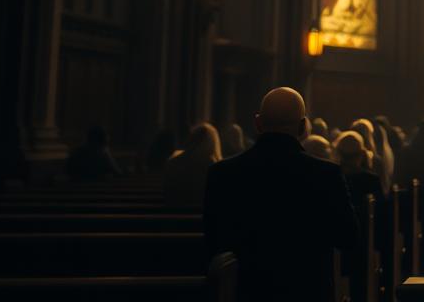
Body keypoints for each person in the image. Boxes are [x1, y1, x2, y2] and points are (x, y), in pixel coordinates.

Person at [204, 87, 358, 300]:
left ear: (258, 123)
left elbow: (213, 243)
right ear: (304, 126)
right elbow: (348, 237)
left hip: (245, 291)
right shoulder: (326, 174)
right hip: (308, 290)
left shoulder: (222, 173)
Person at [335, 131, 386, 302]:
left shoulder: (334, 178)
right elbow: (382, 216)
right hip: (364, 247)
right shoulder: (371, 180)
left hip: (338, 249)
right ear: (361, 154)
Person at [164, 123, 221, 208]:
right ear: (213, 143)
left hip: (175, 210)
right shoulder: (212, 163)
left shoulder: (174, 160)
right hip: (201, 212)